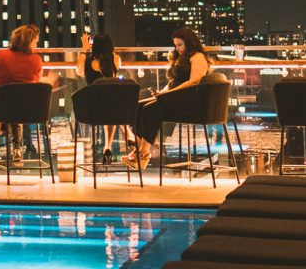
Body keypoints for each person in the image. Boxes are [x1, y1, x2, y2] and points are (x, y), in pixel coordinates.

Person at [127, 27, 212, 171]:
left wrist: (169, 94)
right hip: (173, 96)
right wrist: (163, 92)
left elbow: (194, 81)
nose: (177, 48)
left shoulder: (198, 57)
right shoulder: (181, 57)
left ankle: (143, 152)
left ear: (189, 43)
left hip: (187, 100)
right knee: (138, 106)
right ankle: (139, 147)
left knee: (150, 109)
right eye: (176, 45)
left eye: (180, 45)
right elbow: (172, 82)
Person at [0, 24, 49, 156]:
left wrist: (4, 80)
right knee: (17, 103)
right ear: (29, 41)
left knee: (10, 103)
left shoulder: (1, 55)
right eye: (35, 42)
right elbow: (36, 83)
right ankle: (16, 147)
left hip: (2, 110)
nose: (36, 46)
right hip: (29, 111)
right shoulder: (37, 59)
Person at [83, 34, 124, 160]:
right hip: (111, 105)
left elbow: (79, 71)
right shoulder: (116, 59)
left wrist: (85, 49)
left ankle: (109, 147)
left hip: (91, 108)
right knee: (113, 105)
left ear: (94, 46)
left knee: (109, 105)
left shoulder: (88, 60)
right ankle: (120, 140)